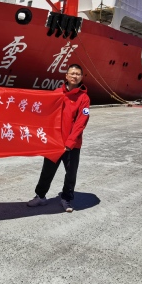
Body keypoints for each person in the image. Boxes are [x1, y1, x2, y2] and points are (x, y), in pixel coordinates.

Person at [27, 63, 90, 212]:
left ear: (81, 77)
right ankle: (40, 196)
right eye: (72, 73)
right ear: (66, 76)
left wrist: (70, 142)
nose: (74, 76)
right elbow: (45, 114)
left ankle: (66, 199)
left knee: (71, 173)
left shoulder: (84, 98)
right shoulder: (56, 93)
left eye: (78, 74)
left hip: (72, 144)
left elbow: (81, 122)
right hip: (54, 142)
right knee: (47, 171)